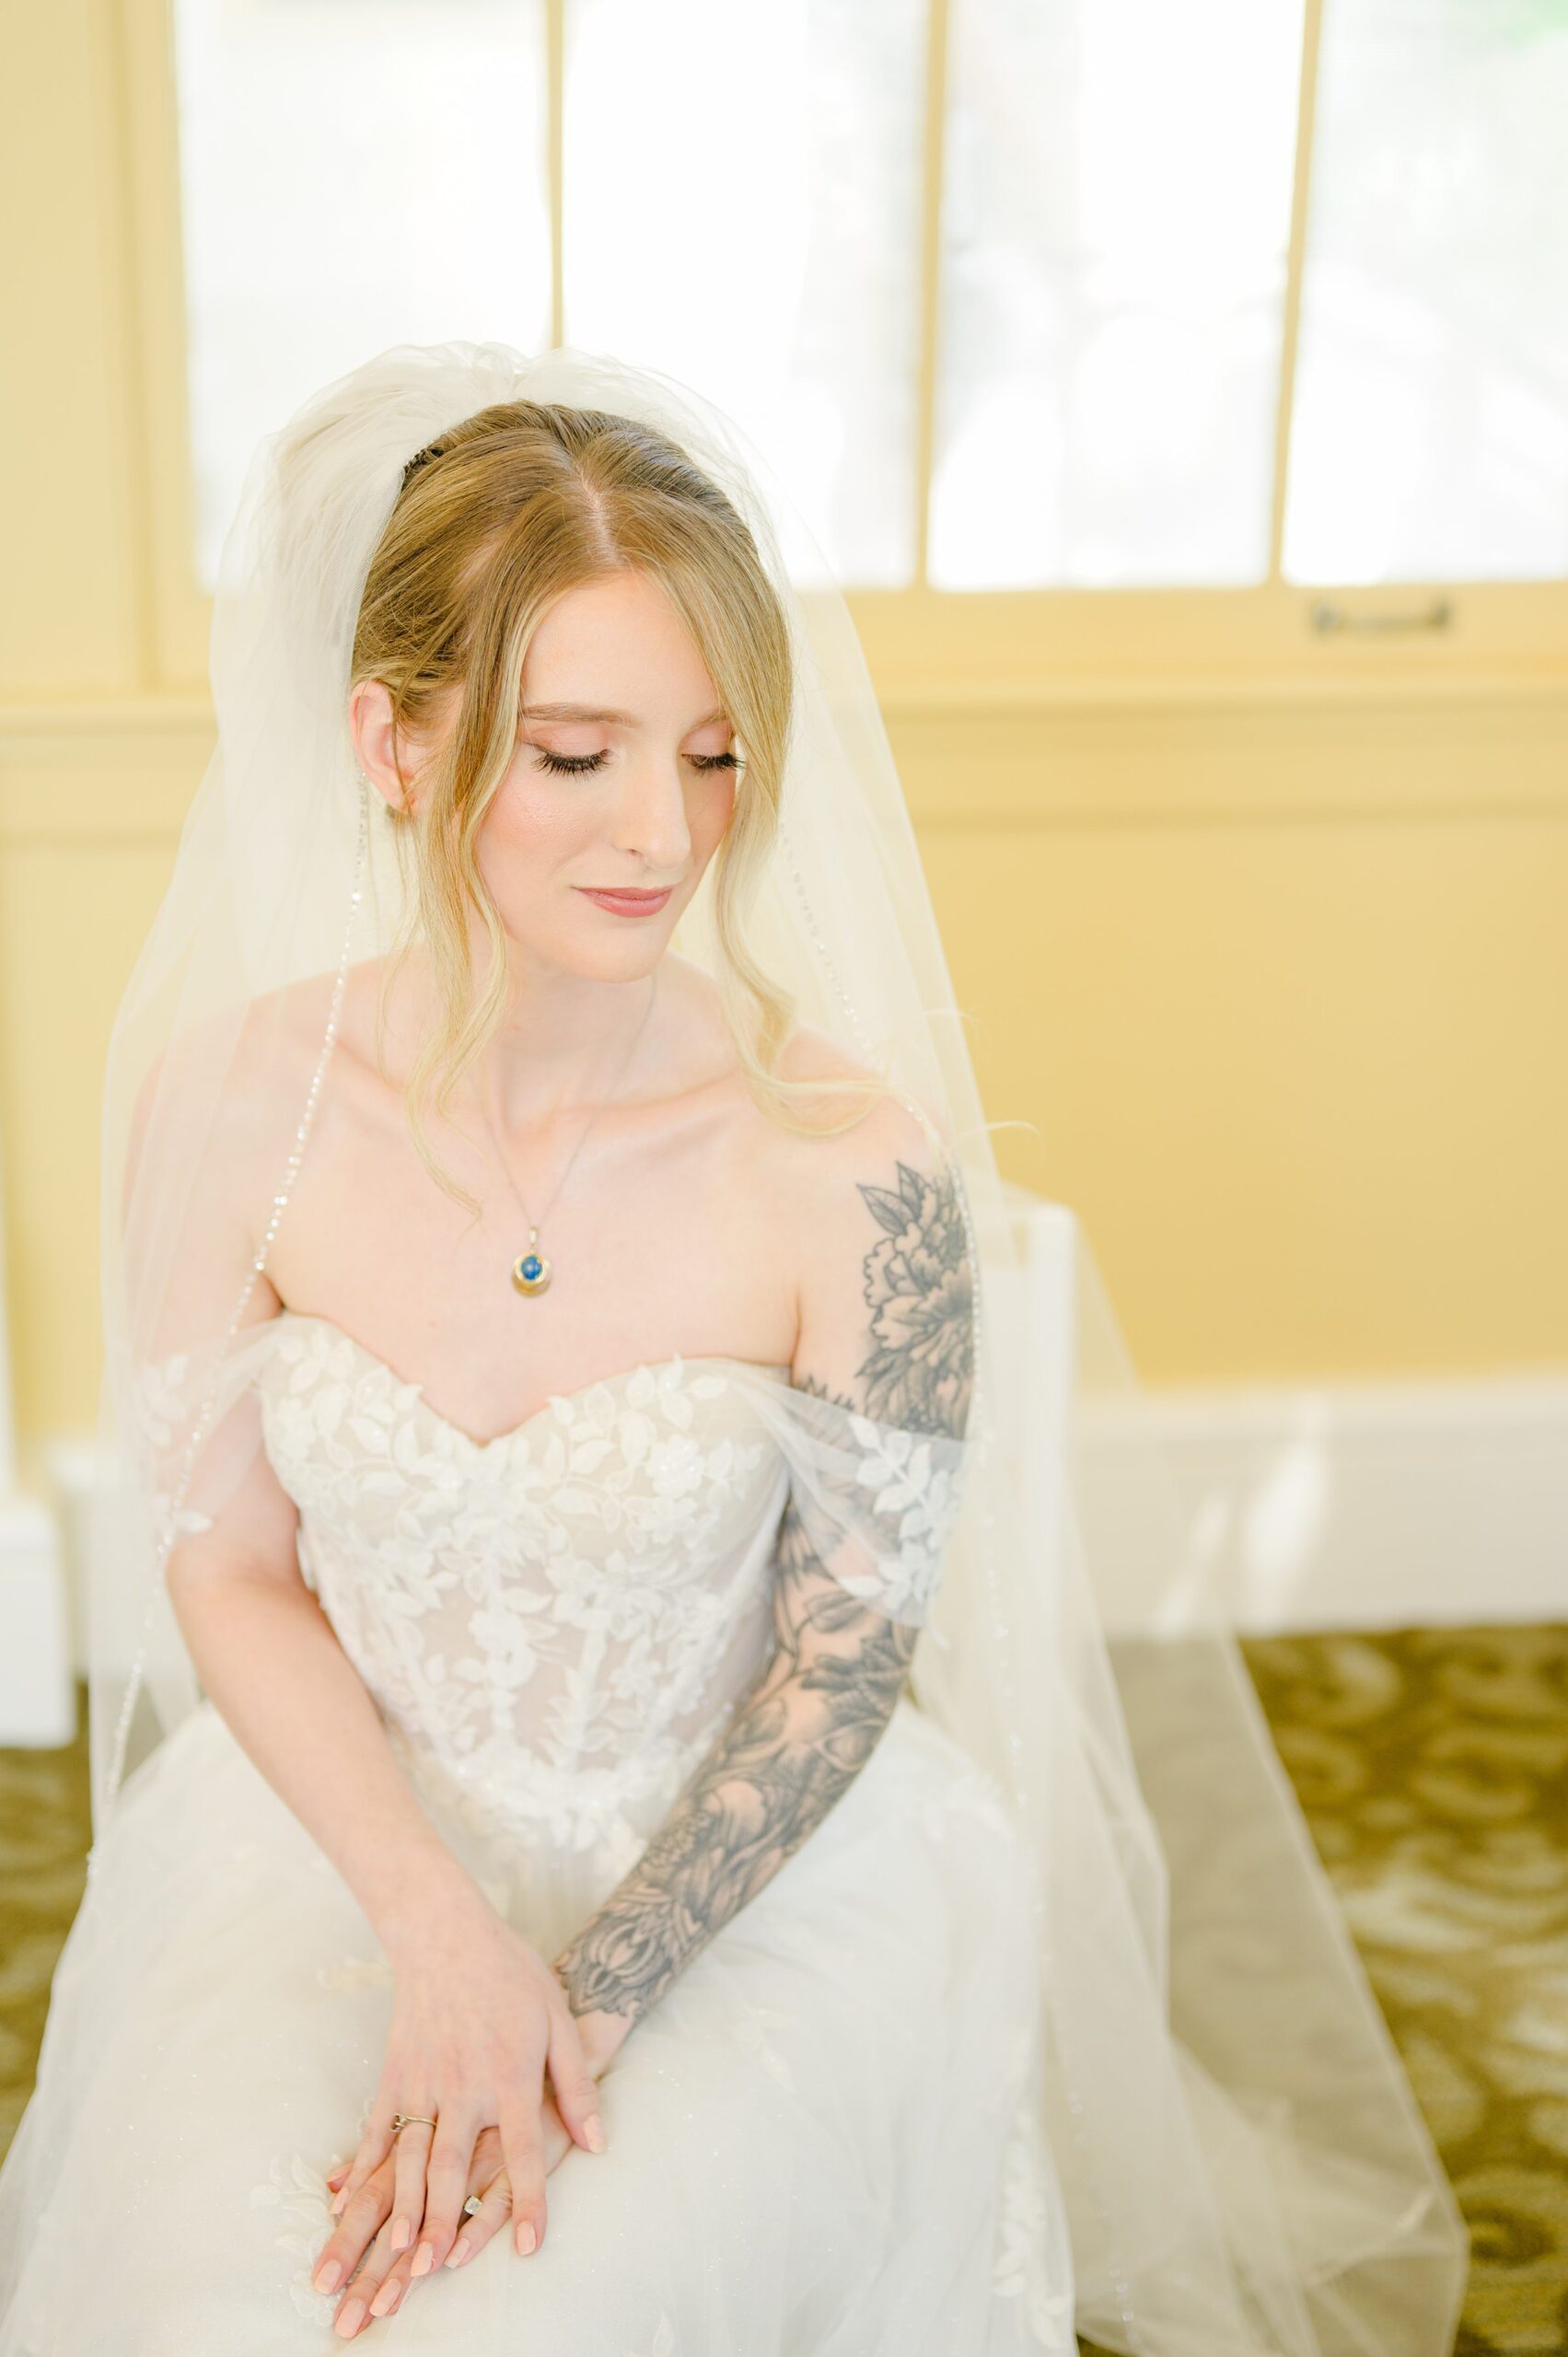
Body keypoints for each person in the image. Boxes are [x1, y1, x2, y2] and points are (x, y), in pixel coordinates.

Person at [0, 343, 1467, 2354]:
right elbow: (229, 1562)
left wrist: (576, 1992)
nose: (662, 831)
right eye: (576, 749)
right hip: (336, 1844)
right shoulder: (229, 1101)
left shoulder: (846, 1164)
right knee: (224, 2297)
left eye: (711, 753)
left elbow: (847, 1649)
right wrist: (437, 1930)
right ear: (395, 739)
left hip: (742, 1890)